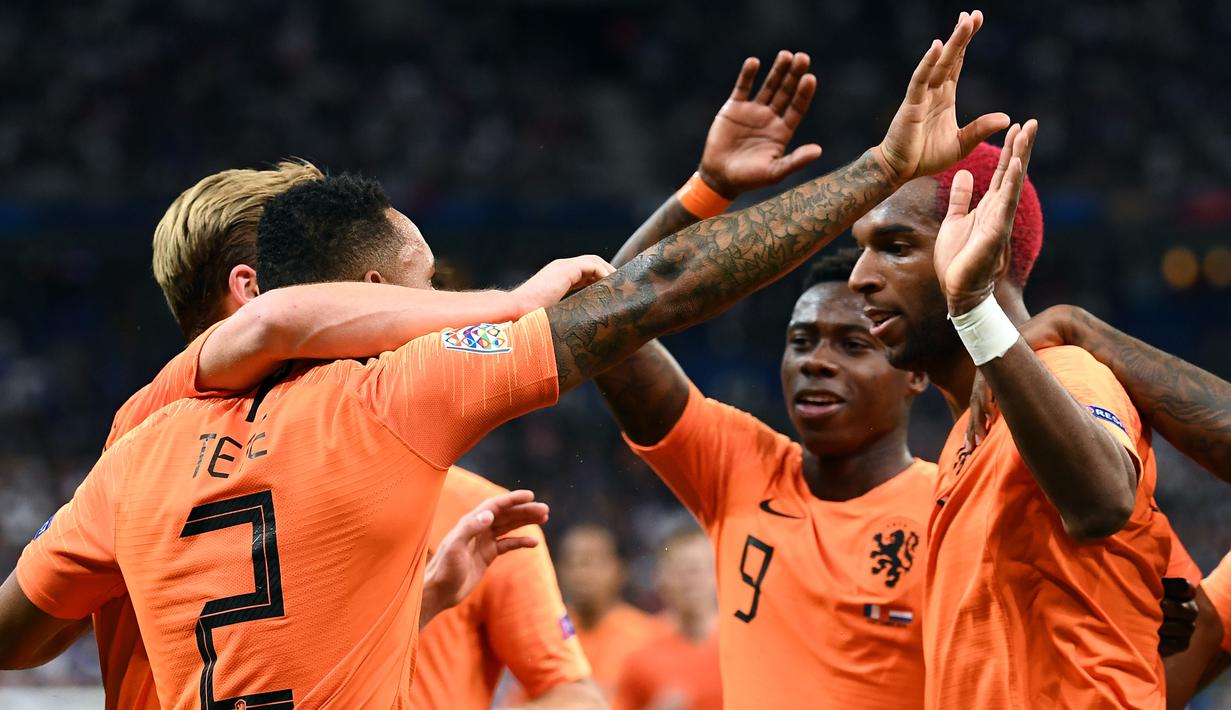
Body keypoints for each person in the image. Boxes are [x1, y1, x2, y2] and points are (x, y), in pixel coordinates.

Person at [1, 10, 1010, 706]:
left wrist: (417, 602)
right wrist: (878, 168)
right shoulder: (386, 398)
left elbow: (20, 636)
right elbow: (640, 303)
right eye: (421, 284)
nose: (437, 308)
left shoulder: (131, 453)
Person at [0, 161, 607, 710]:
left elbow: (32, 634)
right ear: (254, 287)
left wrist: (418, 605)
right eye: (324, 277)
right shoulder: (169, 418)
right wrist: (514, 304)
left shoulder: (148, 436)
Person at [847, 115, 1179, 707]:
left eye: (895, 248)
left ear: (988, 254)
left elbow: (1103, 500)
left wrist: (973, 311)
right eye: (863, 251)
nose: (859, 279)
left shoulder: (1066, 369)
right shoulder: (962, 440)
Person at [614, 524, 722, 710]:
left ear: (718, 573)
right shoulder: (640, 650)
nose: (691, 581)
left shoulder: (744, 644)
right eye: (681, 571)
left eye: (698, 570)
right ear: (660, 578)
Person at [556, 524, 668, 701]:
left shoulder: (647, 634)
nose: (580, 573)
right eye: (571, 563)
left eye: (590, 562)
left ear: (619, 570)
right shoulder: (550, 635)